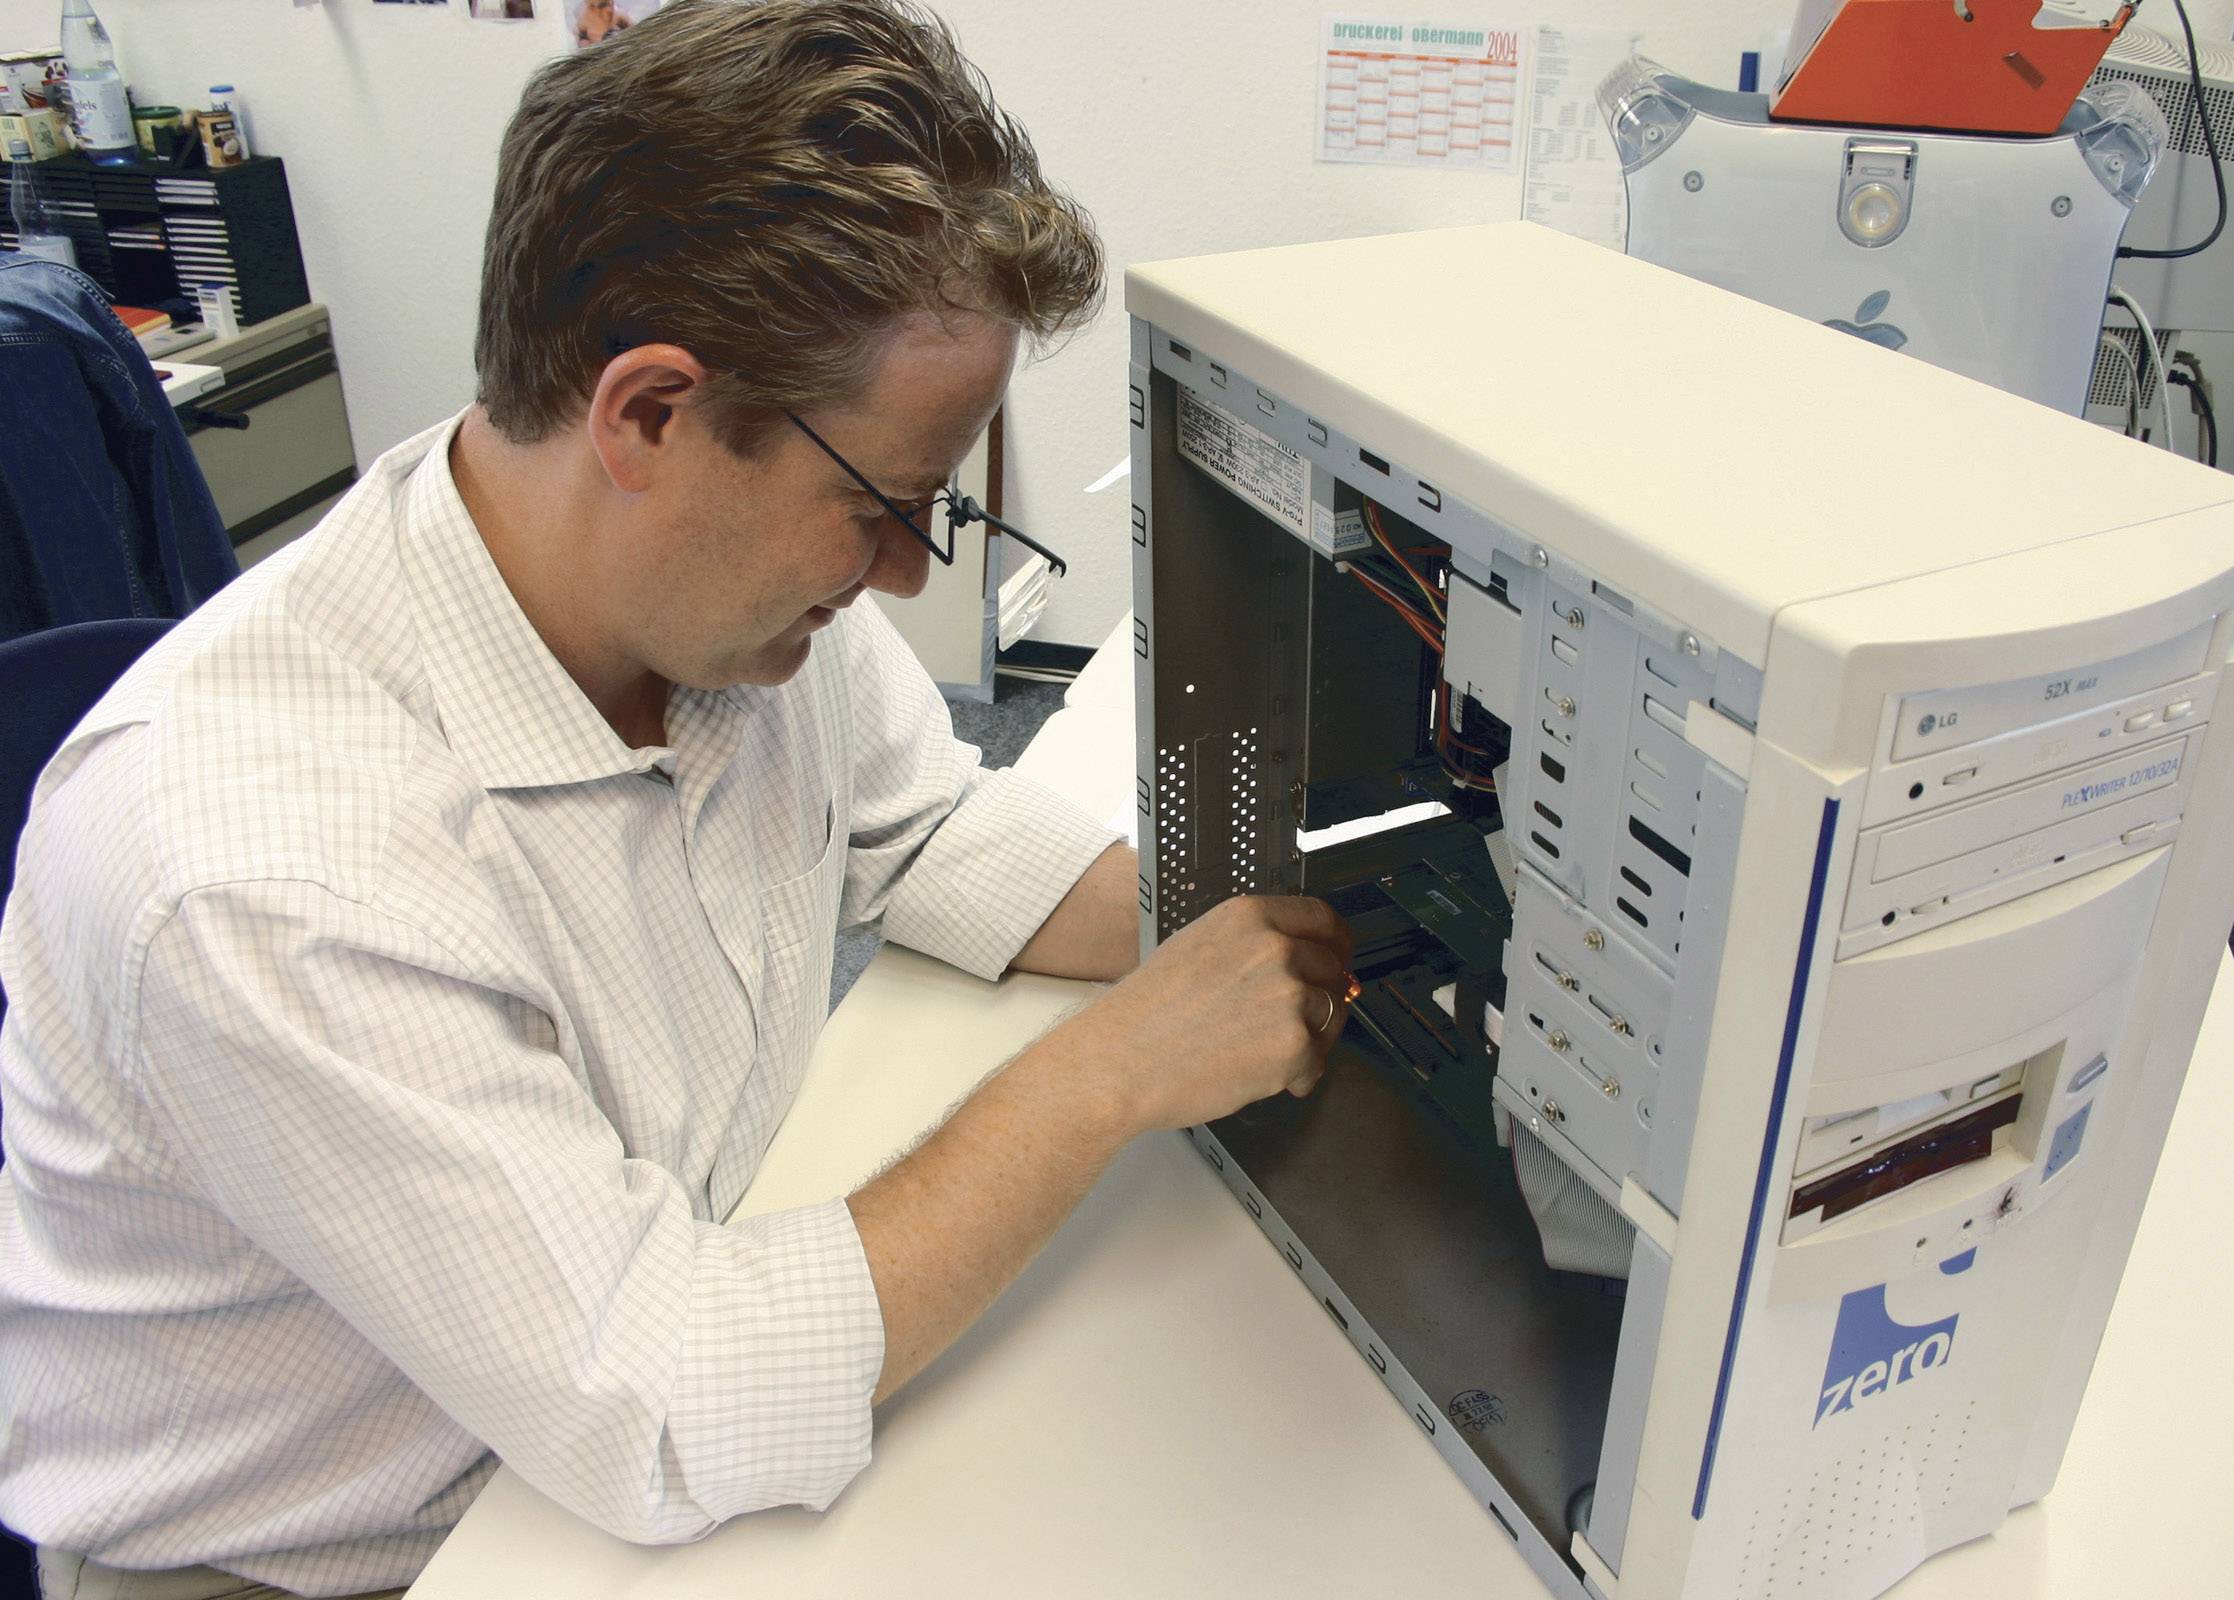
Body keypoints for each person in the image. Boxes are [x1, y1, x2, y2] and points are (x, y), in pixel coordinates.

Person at [0, 4, 1355, 1597]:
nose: (909, 572)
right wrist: (1102, 1081)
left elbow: (918, 829)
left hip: (588, 1398)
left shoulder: (720, 613)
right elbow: (668, 1408)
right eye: (884, 504)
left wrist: (1253, 934)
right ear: (647, 415)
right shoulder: (263, 867)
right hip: (346, 1556)